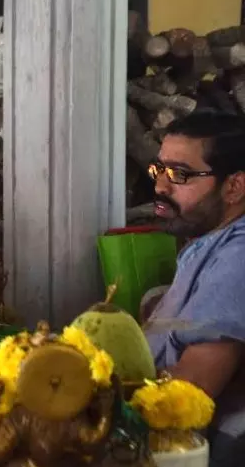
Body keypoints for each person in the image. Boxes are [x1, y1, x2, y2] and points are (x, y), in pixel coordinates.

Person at [142, 112, 245, 466]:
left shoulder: (239, 257)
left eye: (180, 175)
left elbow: (185, 399)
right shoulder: (212, 240)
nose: (160, 188)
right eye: (159, 170)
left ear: (234, 188)